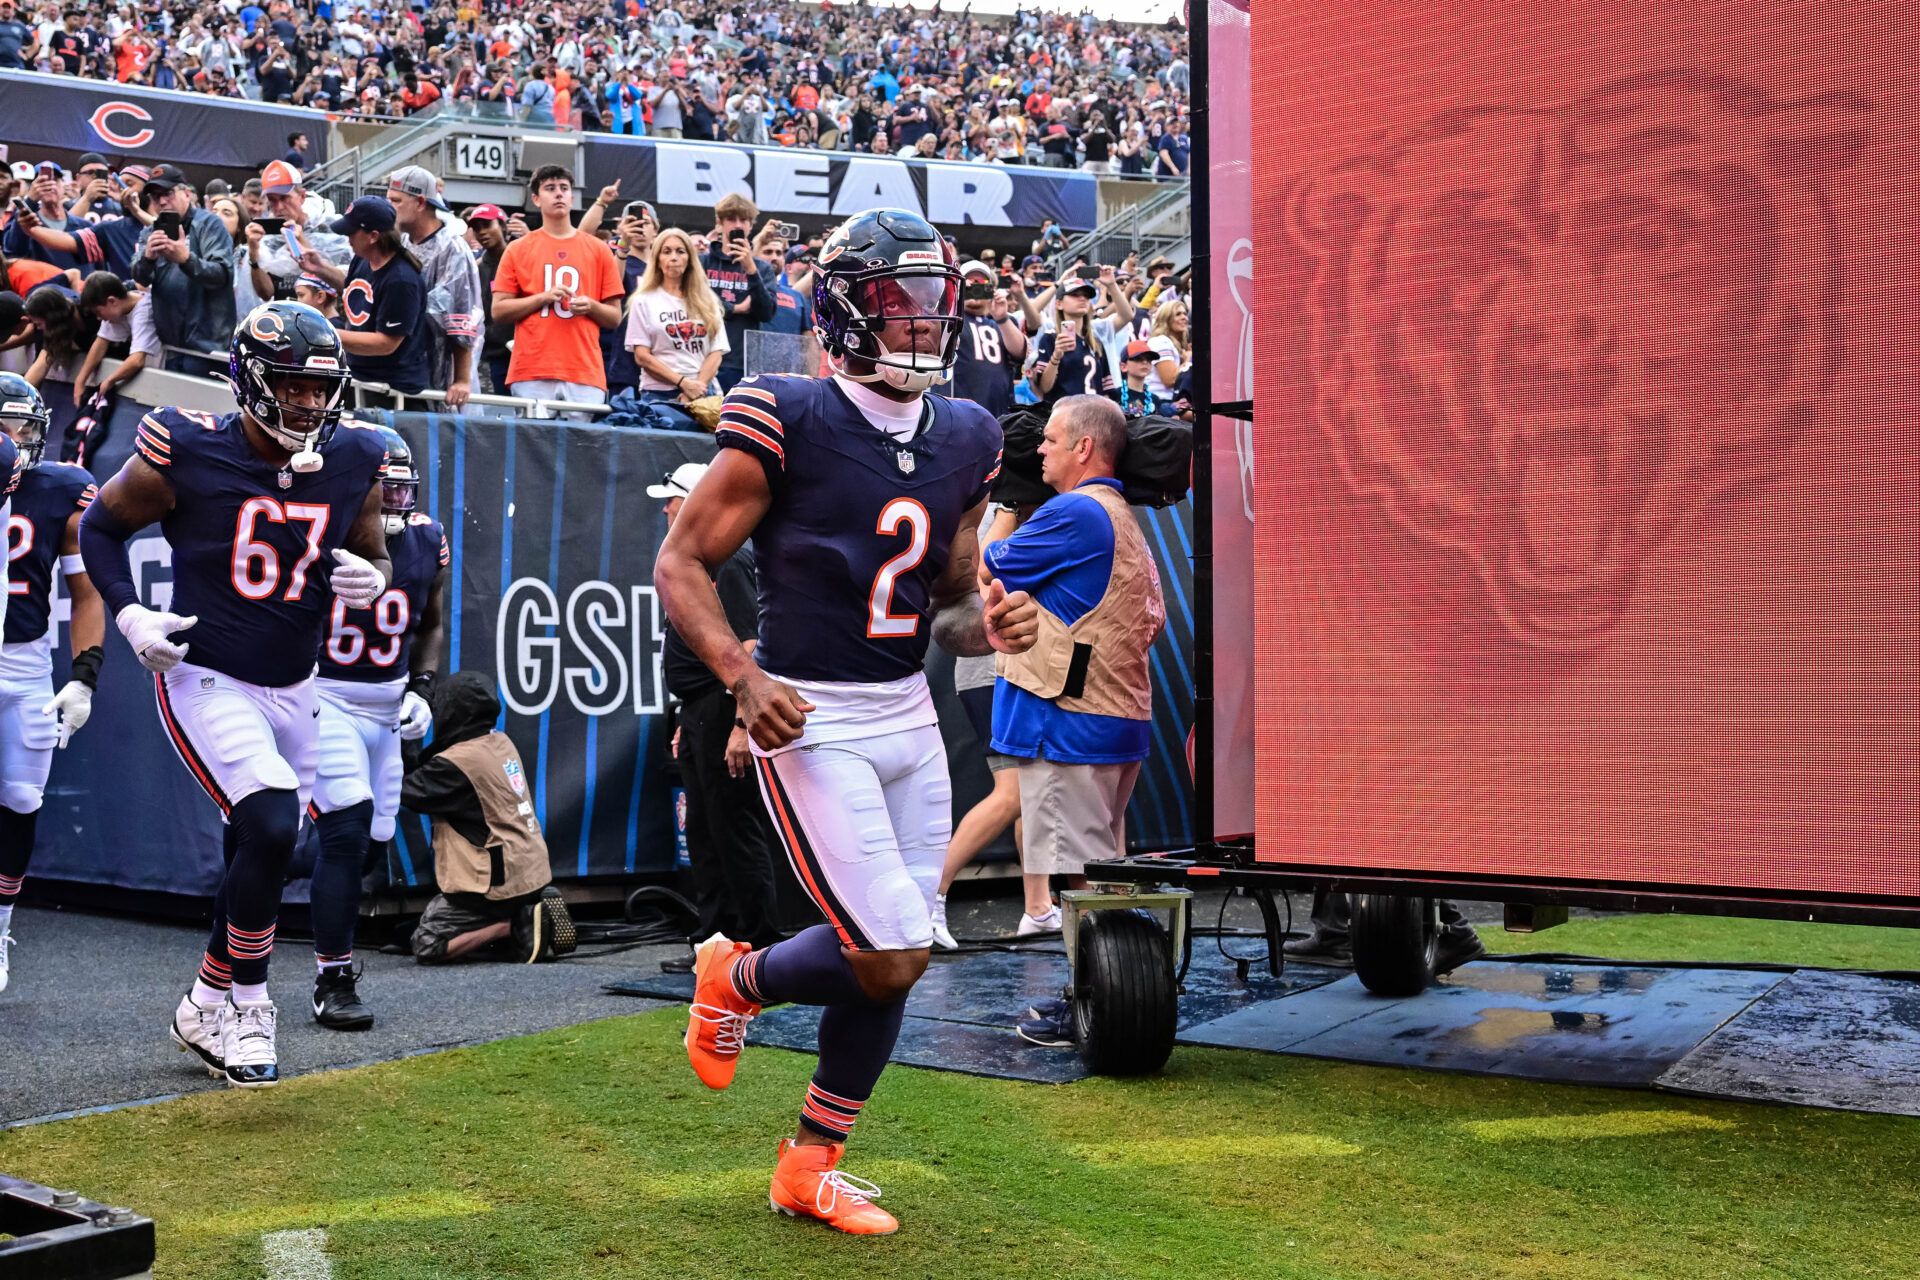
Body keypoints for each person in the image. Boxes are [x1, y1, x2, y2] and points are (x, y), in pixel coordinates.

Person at [654, 207, 1038, 1235]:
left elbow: (950, 606)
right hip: (809, 713)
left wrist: (989, 616)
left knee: (894, 946)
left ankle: (807, 1163)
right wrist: (741, 675)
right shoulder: (787, 412)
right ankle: (734, 976)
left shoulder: (966, 434)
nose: (917, 323)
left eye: (930, 303)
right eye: (894, 302)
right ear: (843, 312)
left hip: (907, 711)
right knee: (894, 946)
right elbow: (680, 562)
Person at [78, 301, 390, 1086]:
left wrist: (371, 575)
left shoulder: (354, 456)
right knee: (270, 818)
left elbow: (371, 548)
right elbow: (98, 529)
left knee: (265, 845)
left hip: (297, 683)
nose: (309, 405)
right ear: (248, 381)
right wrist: (130, 610)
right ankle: (250, 1004)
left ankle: (206, 997)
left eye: (321, 390)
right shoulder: (185, 444)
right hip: (206, 673)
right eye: (292, 387)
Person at [976, 397, 1167, 1045]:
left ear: (1085, 448)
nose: (1040, 451)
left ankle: (1100, 1002)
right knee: (1105, 869)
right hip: (1117, 718)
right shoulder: (1120, 517)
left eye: (1051, 441)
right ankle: (1120, 992)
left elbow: (989, 568)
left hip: (1074, 723)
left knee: (1083, 876)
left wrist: (1005, 502)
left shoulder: (1074, 513)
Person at [308, 426, 447, 1027]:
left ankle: (247, 877)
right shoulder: (325, 527)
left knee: (372, 844)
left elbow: (431, 622)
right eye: (380, 488)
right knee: (348, 827)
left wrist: (421, 687)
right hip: (326, 695)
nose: (393, 501)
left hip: (387, 704)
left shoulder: (427, 537)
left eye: (400, 488)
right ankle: (333, 979)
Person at [653, 462, 783, 957]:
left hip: (722, 704)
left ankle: (761, 944)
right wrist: (691, 721)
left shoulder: (729, 561)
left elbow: (749, 647)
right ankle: (716, 942)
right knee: (705, 829)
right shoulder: (703, 562)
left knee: (733, 826)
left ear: (693, 501)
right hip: (699, 709)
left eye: (672, 498)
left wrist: (738, 724)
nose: (665, 509)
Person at [404, 671, 571, 964]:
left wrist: (403, 740)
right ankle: (528, 913)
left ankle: (514, 925)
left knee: (427, 942)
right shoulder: (499, 742)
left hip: (492, 884)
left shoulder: (456, 764)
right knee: (401, 932)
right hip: (530, 872)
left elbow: (406, 792)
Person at [0, 377, 63, 995]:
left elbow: (90, 583)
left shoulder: (56, 488)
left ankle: (1, 923)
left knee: (21, 797)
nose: (12, 440)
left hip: (24, 665)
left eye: (20, 426)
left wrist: (89, 675)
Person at [489, 165, 623, 415]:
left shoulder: (599, 249)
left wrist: (591, 306)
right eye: (550, 189)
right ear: (537, 199)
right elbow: (498, 310)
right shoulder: (518, 249)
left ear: (572, 196)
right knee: (533, 451)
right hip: (532, 368)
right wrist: (543, 297)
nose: (559, 194)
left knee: (582, 451)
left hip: (584, 369)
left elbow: (615, 317)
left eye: (564, 188)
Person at [386, 166, 481, 410]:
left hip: (443, 374)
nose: (390, 207)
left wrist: (461, 379)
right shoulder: (402, 241)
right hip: (407, 368)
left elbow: (463, 319)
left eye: (396, 201)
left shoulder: (453, 249)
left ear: (419, 203)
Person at [129, 164, 236, 378]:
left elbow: (222, 274)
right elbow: (139, 276)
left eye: (167, 193)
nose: (162, 201)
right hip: (170, 346)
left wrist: (186, 259)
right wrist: (148, 258)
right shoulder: (151, 231)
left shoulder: (209, 224)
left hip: (207, 347)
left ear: (186, 193)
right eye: (155, 196)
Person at [625, 228, 728, 431]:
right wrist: (682, 382)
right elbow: (642, 356)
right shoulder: (643, 300)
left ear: (690, 258)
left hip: (703, 393)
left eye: (680, 251)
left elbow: (717, 351)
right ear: (657, 258)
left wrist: (695, 387)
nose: (674, 257)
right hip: (659, 395)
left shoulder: (707, 300)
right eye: (667, 251)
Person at [331, 197, 431, 397]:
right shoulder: (361, 260)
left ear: (373, 236)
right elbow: (354, 297)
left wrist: (327, 334)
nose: (347, 238)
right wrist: (316, 267)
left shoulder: (401, 279)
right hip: (360, 376)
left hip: (391, 388)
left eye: (351, 232)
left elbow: (386, 343)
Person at [699, 194, 775, 391]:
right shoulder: (702, 263)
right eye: (731, 219)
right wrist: (734, 308)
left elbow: (766, 313)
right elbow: (694, 302)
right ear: (719, 224)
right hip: (703, 358)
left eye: (743, 220)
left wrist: (750, 269)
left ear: (751, 226)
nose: (738, 225)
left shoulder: (762, 269)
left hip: (743, 362)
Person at [250, 162, 352, 303]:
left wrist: (301, 242)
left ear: (302, 196)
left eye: (284, 198)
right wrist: (254, 254)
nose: (279, 207)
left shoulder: (328, 228)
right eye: (272, 201)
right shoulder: (269, 238)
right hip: (283, 318)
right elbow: (266, 294)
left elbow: (346, 286)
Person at [948, 259, 1025, 417]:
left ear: (991, 289)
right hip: (959, 414)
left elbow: (1020, 353)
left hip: (1000, 413)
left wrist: (1002, 318)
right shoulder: (950, 319)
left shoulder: (1004, 321)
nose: (975, 287)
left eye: (981, 283)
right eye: (969, 282)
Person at [75, 272, 164, 405]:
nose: (98, 318)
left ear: (112, 301)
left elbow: (137, 360)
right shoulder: (118, 309)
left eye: (98, 312)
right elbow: (101, 343)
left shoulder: (144, 311)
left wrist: (109, 381)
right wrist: (80, 381)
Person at [466, 205, 513, 395]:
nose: (482, 232)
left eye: (487, 225)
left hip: (524, 354)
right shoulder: (475, 269)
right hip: (489, 358)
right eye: (477, 228)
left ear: (502, 225)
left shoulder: (523, 258)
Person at [1105, 340, 1164, 418]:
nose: (1145, 362)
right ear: (1123, 367)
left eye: (1149, 359)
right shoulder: (1114, 396)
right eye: (1138, 359)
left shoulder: (1155, 399)